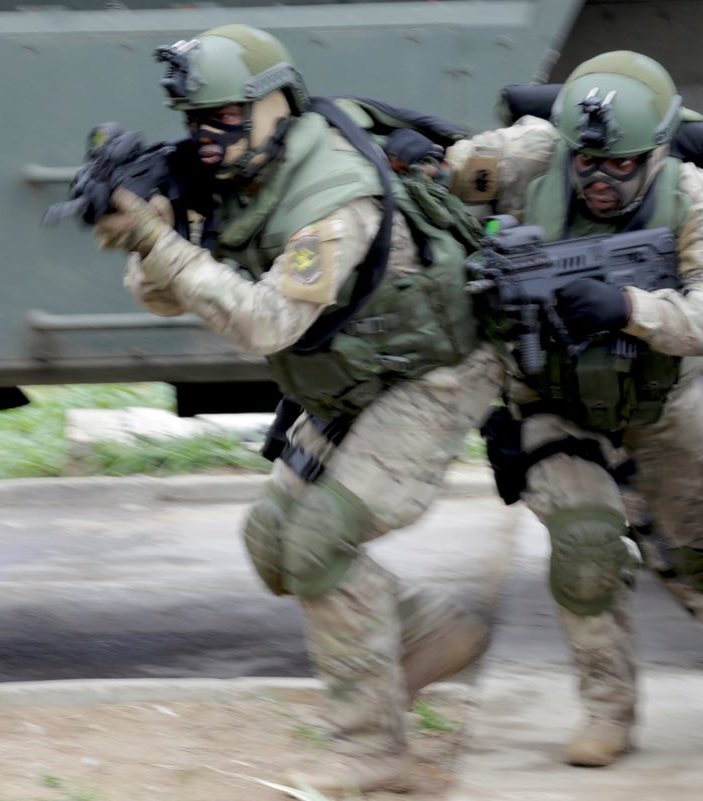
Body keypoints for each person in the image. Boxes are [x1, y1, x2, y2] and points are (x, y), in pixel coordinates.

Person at [90, 24, 509, 793]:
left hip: (432, 375)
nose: (205, 139)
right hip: (348, 377)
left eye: (221, 119)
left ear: (273, 105)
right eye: (195, 122)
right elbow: (159, 296)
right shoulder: (233, 174)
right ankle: (429, 634)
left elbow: (263, 323)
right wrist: (151, 237)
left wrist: (162, 241)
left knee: (319, 546)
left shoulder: (333, 195)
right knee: (271, 546)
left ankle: (373, 751)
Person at [444, 50, 703, 767]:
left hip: (660, 400)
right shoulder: (536, 155)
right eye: (588, 164)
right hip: (551, 398)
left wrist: (625, 307)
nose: (600, 179)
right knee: (584, 547)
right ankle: (608, 707)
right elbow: (450, 175)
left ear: (657, 152)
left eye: (622, 166)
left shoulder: (702, 196)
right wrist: (422, 161)